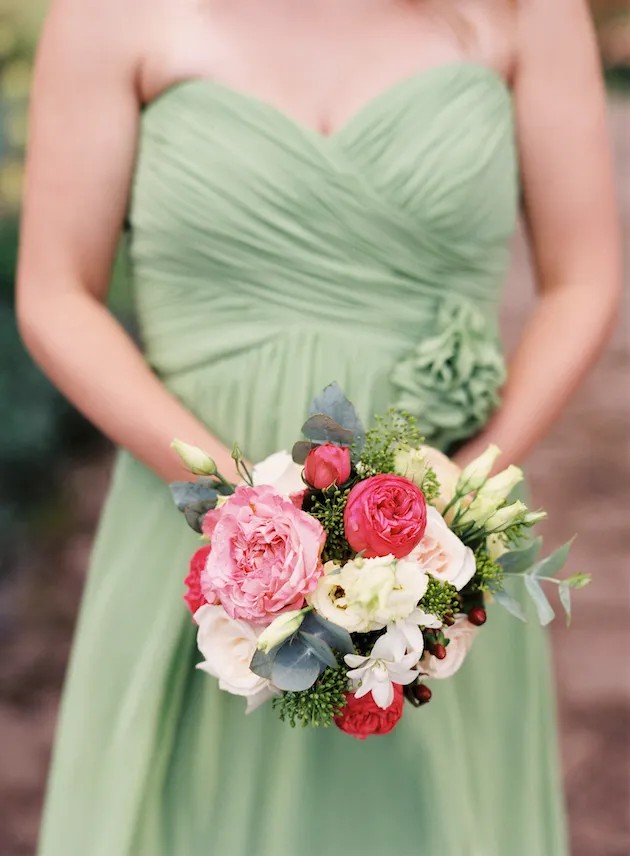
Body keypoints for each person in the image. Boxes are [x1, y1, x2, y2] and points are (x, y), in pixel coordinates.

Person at [16, 1, 621, 854]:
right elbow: (55, 291)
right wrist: (243, 508)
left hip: (438, 545)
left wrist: (462, 494)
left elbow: (584, 277)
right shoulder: (108, 15)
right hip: (189, 529)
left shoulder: (528, 12)